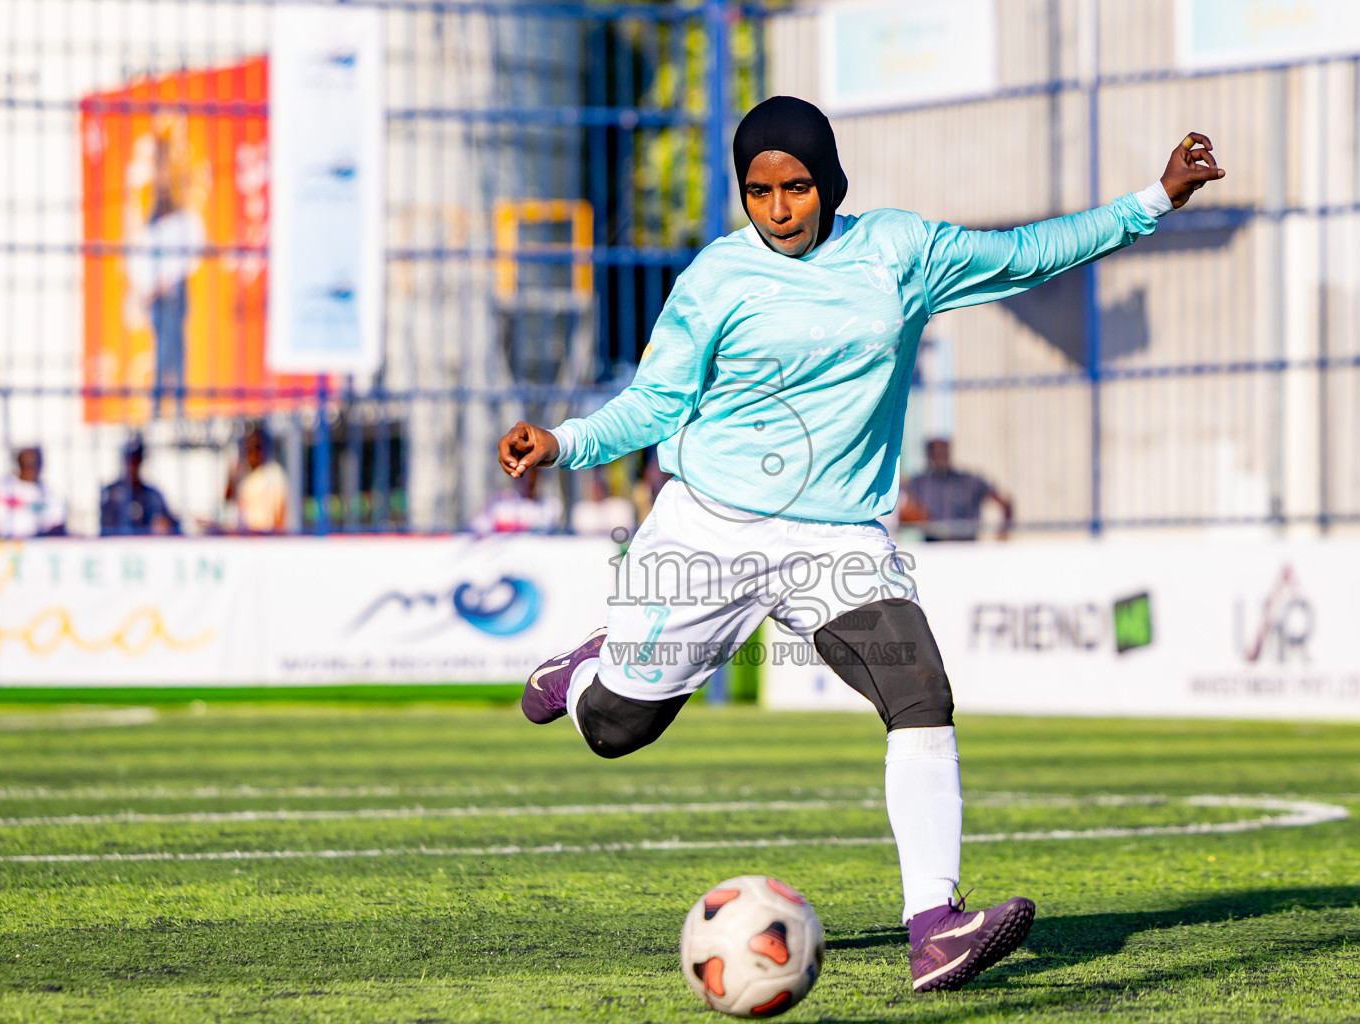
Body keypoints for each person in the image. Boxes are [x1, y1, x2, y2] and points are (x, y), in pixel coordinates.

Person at [496, 97, 1223, 992]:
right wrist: (564, 443)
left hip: (836, 536)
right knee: (616, 729)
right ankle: (585, 672)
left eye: (795, 186)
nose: (777, 208)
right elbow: (655, 405)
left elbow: (1029, 255)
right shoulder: (716, 278)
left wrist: (1153, 201)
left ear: (829, 182)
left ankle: (935, 926)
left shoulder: (901, 254)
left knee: (919, 690)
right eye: (757, 191)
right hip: (709, 526)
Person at [900, 438, 1014, 541]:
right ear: (928, 455)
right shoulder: (919, 482)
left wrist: (1003, 534)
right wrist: (921, 518)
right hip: (933, 550)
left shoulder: (969, 481)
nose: (940, 456)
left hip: (965, 549)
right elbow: (903, 513)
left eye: (943, 452)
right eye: (936, 452)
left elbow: (1004, 501)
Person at [100, 436, 180, 536]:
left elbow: (172, 525)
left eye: (136, 461)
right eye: (130, 461)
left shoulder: (152, 495)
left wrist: (164, 525)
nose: (132, 466)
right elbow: (106, 529)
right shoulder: (110, 493)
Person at [224, 425, 289, 534]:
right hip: (247, 536)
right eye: (249, 449)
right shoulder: (244, 475)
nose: (253, 454)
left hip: (266, 536)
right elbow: (229, 501)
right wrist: (232, 474)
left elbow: (280, 512)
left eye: (257, 448)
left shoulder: (273, 472)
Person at [469, 465, 564, 535]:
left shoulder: (551, 506)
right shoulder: (500, 501)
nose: (529, 479)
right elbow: (475, 527)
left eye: (533, 473)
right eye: (524, 474)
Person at [0, 447, 67, 538]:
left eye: (35, 463)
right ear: (19, 463)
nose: (31, 467)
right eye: (27, 463)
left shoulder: (51, 495)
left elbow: (56, 527)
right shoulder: (0, 486)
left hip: (36, 546)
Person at [570, 467, 636, 538]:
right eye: (594, 488)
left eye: (599, 488)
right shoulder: (580, 509)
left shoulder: (621, 506)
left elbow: (625, 532)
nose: (596, 491)